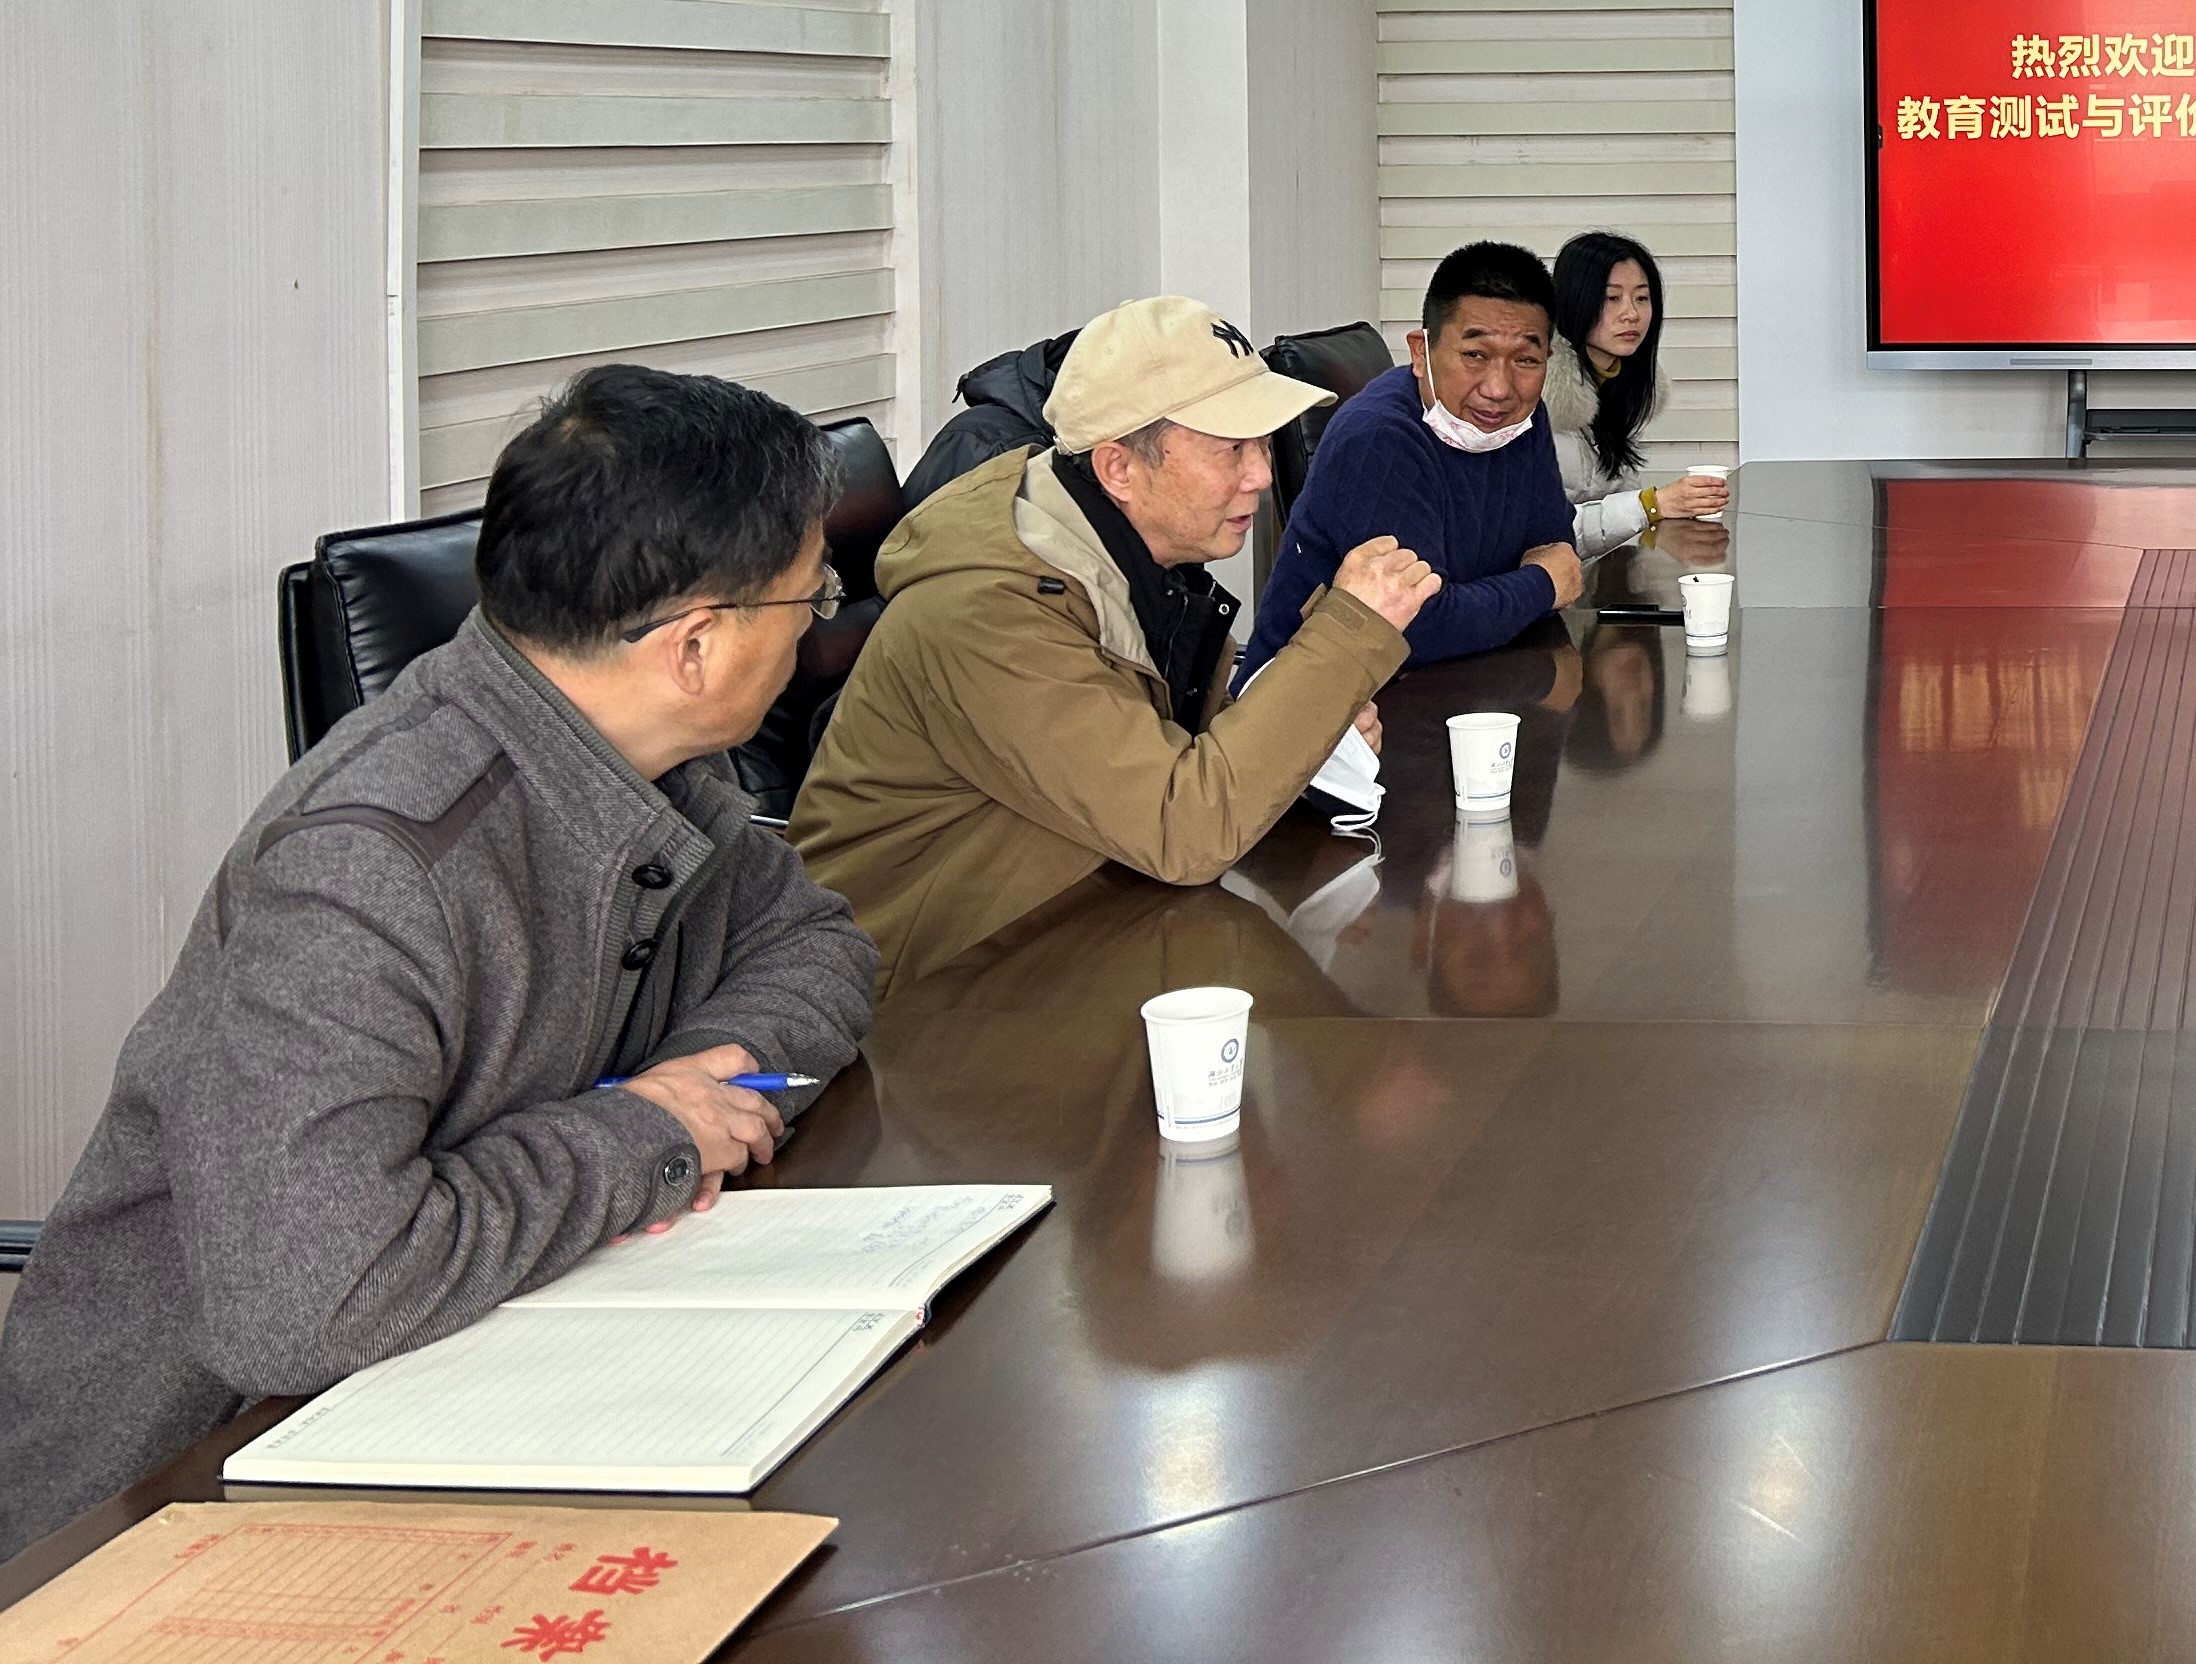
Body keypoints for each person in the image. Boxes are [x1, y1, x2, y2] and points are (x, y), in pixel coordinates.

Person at [0, 368, 881, 1558]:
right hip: (178, 1493)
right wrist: (641, 1137)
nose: (820, 621)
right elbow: (305, 1302)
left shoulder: (649, 770)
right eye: (810, 594)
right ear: (696, 646)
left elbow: (815, 945)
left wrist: (688, 1091)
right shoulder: (370, 865)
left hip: (475, 1373)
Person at [791, 296, 1437, 988]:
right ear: (1119, 468)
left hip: (1083, 937)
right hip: (918, 1001)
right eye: (1232, 449)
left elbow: (1166, 754)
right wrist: (1347, 635)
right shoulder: (986, 614)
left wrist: (1307, 733)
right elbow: (1185, 828)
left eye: (1262, 444)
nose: (1260, 474)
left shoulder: (1138, 563)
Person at [1245, 243, 1583, 679]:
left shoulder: (1523, 420)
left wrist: (1524, 588)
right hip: (1315, 698)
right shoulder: (1379, 438)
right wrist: (1539, 586)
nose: (1499, 389)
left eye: (1526, 360)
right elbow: (1415, 628)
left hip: (1468, 677)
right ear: (1421, 353)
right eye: (1475, 355)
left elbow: (1556, 550)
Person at [1548, 229, 1733, 560]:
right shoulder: (1537, 402)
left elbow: (1616, 516)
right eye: (1612, 298)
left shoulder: (1620, 389)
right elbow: (1545, 534)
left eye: (1642, 298)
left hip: (1593, 580)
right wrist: (1652, 505)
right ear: (1574, 300)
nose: (1631, 313)